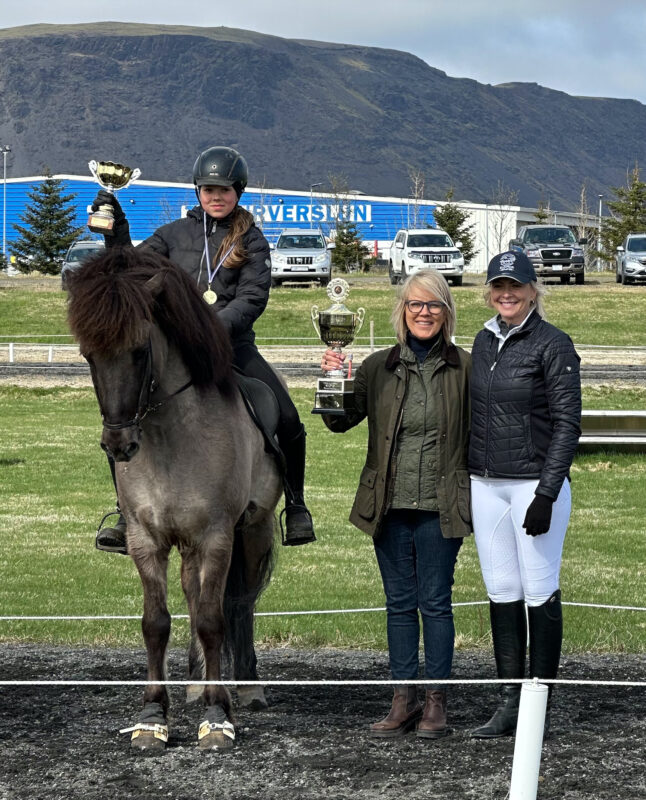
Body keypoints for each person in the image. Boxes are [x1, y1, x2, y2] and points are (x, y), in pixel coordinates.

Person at [90, 146, 316, 552]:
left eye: (224, 190)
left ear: (238, 192)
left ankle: (296, 505)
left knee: (286, 414)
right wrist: (116, 230)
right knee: (121, 414)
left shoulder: (252, 240)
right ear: (198, 191)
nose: (216, 197)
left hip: (232, 347)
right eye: (208, 189)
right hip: (175, 353)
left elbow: (252, 298)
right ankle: (125, 512)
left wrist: (209, 330)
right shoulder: (173, 234)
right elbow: (132, 271)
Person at [320, 270, 471, 739]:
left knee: (436, 603)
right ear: (402, 312)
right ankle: (403, 700)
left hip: (442, 505)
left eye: (433, 304)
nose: (424, 312)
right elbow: (339, 422)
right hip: (387, 505)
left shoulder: (467, 368)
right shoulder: (376, 368)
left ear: (446, 312)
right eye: (415, 304)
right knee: (400, 604)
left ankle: (436, 703)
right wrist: (332, 377)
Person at [468, 251, 581, 739]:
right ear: (490, 292)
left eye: (515, 285)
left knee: (538, 591)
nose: (507, 294)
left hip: (534, 486)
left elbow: (567, 426)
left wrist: (547, 493)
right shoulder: (482, 340)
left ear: (533, 290)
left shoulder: (554, 344)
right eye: (499, 286)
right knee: (501, 593)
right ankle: (509, 702)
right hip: (486, 486)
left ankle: (540, 706)